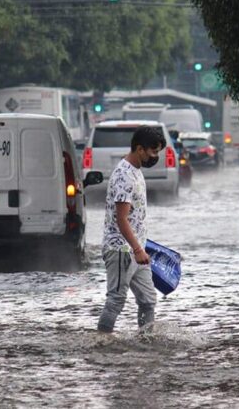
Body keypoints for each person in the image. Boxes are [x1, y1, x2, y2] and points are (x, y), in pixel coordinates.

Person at [97, 125, 164, 333]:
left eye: (158, 151)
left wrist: (142, 247)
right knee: (116, 299)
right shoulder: (123, 175)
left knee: (148, 300)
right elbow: (122, 219)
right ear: (139, 149)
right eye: (153, 151)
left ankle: (146, 340)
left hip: (137, 250)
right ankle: (101, 342)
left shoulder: (136, 171)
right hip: (121, 250)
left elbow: (136, 217)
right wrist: (137, 249)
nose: (155, 156)